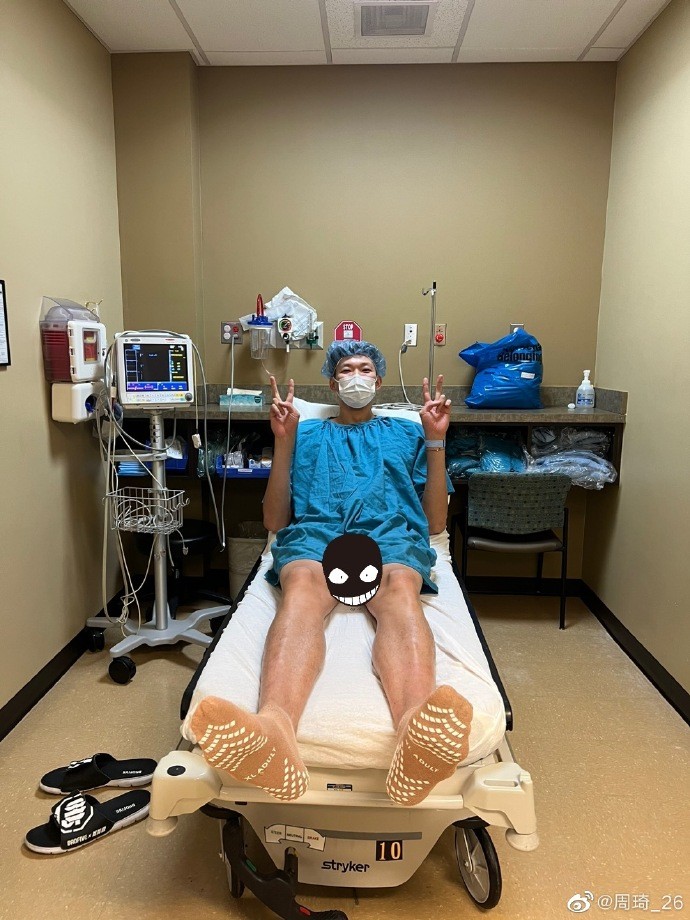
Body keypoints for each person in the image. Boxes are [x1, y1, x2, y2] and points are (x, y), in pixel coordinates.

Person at [191, 341, 473, 806]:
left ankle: (414, 732)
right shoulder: (306, 434)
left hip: (390, 537)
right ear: (332, 381)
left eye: (365, 368)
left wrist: (436, 439)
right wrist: (283, 442)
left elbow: (435, 525)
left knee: (400, 589)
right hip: (316, 537)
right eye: (346, 369)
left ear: (379, 381)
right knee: (301, 587)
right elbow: (274, 521)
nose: (356, 376)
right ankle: (275, 728)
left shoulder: (408, 434)